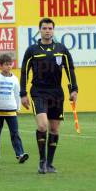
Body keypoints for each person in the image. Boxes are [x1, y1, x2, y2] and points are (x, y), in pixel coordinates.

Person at [20, 17, 78, 174]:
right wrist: (23, 93)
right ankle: (42, 161)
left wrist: (74, 89)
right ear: (39, 30)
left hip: (56, 93)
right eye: (44, 28)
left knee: (54, 128)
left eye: (50, 28)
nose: (47, 31)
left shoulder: (61, 49)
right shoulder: (32, 50)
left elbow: (70, 70)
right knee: (42, 125)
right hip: (38, 92)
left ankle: (50, 164)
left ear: (53, 30)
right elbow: (24, 71)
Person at [0, 54, 28, 164]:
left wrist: (18, 108)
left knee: (15, 133)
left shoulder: (15, 79)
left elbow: (17, 94)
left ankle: (20, 154)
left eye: (10, 64)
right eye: (6, 65)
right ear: (1, 65)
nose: (8, 67)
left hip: (11, 109)